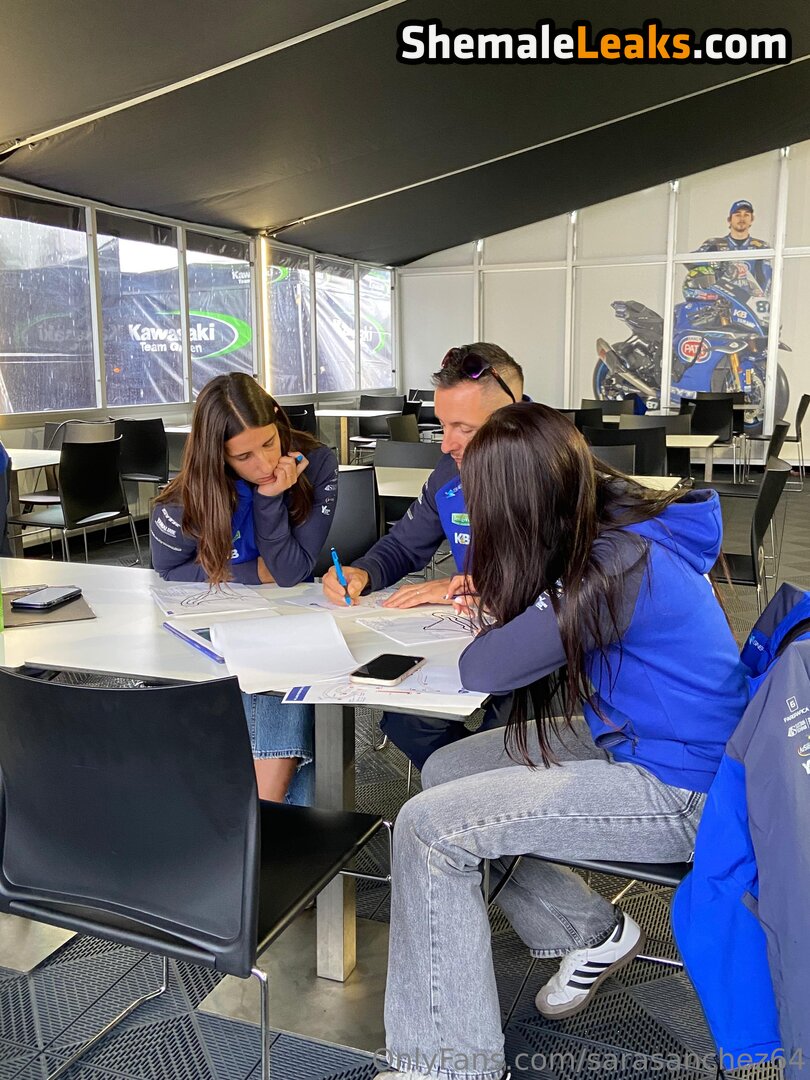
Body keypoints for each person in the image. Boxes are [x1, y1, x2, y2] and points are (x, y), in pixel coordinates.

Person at [383, 403, 749, 1080]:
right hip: (639, 739)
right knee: (447, 770)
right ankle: (584, 930)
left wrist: (511, 600)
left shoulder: (617, 564)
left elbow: (485, 668)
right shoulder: (609, 524)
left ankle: (449, 1065)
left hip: (686, 787)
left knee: (430, 829)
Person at [321, 343, 528, 769]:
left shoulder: (557, 467)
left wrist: (481, 586)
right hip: (467, 630)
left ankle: (482, 793)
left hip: (542, 639)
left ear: (512, 415)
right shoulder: (448, 473)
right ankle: (468, 791)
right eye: (443, 425)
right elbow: (403, 545)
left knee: (507, 740)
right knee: (405, 716)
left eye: (464, 429)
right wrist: (363, 572)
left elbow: (581, 580)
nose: (446, 444)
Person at [150, 372, 338, 804]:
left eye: (269, 443)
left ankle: (262, 817)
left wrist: (270, 499)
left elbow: (289, 571)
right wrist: (254, 570)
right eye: (244, 456)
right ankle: (275, 819)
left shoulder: (315, 462)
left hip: (290, 611)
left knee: (279, 668)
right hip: (211, 616)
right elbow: (169, 570)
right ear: (217, 454)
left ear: (277, 417)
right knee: (272, 673)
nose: (265, 464)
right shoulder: (191, 492)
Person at [687, 198, 771, 297]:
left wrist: (762, 299)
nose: (742, 218)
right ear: (729, 220)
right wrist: (717, 265)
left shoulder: (761, 246)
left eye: (746, 215)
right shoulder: (714, 244)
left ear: (752, 220)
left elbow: (767, 277)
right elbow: (690, 262)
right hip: (719, 301)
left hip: (749, 302)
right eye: (737, 215)